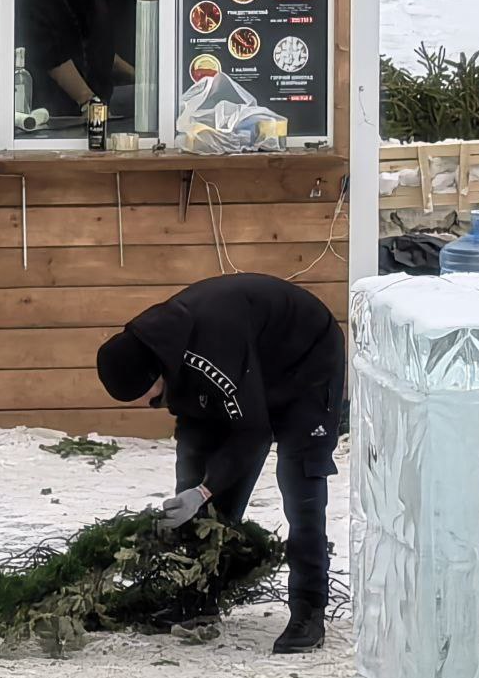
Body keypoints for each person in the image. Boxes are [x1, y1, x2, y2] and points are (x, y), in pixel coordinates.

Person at [96, 274, 345, 654]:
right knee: (203, 479)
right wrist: (193, 489)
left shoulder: (207, 355)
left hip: (305, 363)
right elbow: (196, 429)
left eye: (145, 394)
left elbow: (253, 433)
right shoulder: (162, 347)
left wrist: (204, 490)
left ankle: (308, 610)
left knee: (300, 484)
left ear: (153, 374)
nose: (147, 401)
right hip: (250, 366)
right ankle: (200, 595)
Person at [17, 0, 136, 118]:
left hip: (91, 102)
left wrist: (137, 75)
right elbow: (48, 50)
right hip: (56, 113)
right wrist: (87, 100)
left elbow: (95, 42)